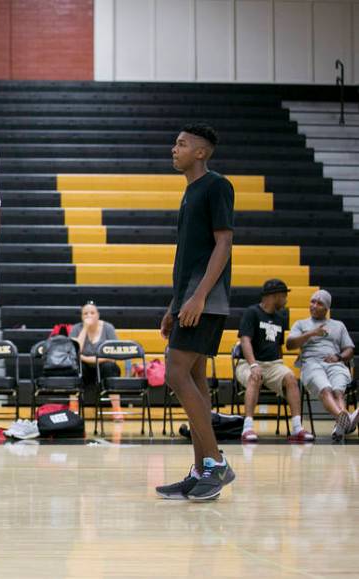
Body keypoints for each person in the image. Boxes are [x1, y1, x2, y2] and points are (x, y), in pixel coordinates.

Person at [155, 123, 236, 501]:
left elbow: (223, 245)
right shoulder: (190, 192)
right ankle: (201, 469)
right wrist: (175, 305)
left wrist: (199, 297)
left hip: (206, 300)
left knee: (174, 371)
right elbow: (189, 259)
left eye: (182, 143)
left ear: (201, 152)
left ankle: (216, 464)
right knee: (196, 380)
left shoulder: (217, 185)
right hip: (188, 299)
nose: (174, 148)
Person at [235, 279, 314, 443]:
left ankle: (297, 428)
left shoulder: (280, 317)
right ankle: (248, 427)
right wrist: (254, 364)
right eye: (284, 295)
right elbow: (245, 340)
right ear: (275, 295)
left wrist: (280, 369)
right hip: (248, 362)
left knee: (291, 378)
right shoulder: (252, 312)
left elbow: (278, 348)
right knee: (254, 376)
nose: (286, 299)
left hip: (273, 365)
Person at [286, 289, 359, 441]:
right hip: (312, 364)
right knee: (326, 389)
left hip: (334, 363)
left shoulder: (338, 325)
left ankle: (340, 425)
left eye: (319, 303)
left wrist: (338, 356)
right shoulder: (301, 324)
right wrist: (311, 333)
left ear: (327, 308)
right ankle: (344, 419)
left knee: (338, 391)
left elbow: (350, 350)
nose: (313, 305)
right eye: (312, 301)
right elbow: (290, 344)